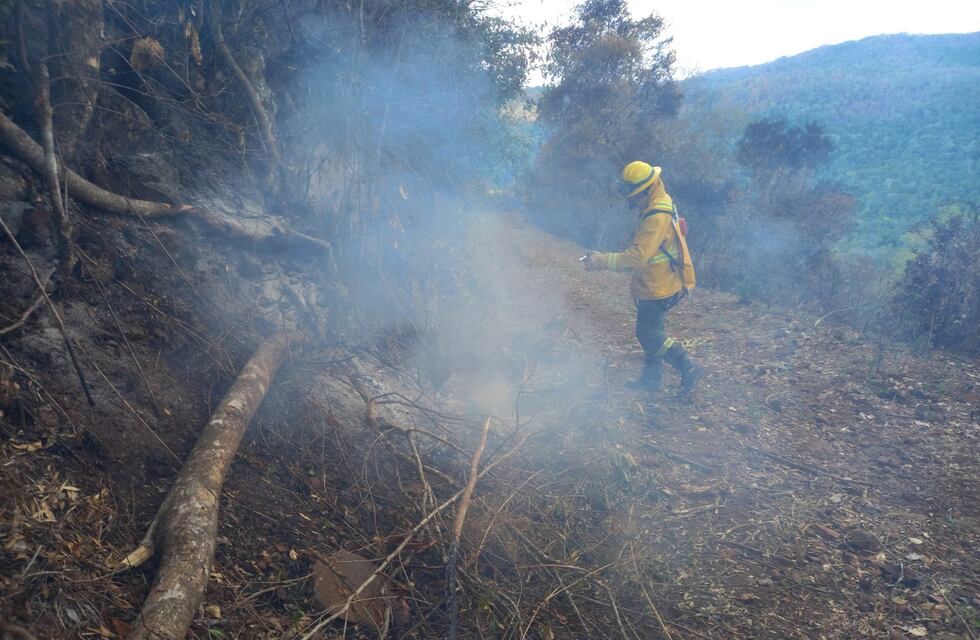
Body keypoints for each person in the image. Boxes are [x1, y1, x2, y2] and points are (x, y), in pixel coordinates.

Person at [583, 161, 704, 396]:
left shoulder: (656, 216)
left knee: (648, 334)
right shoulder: (660, 201)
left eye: (634, 196)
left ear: (648, 190)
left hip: (658, 286)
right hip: (658, 280)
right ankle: (651, 380)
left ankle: (687, 366)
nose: (631, 201)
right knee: (652, 330)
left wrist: (601, 261)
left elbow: (637, 257)